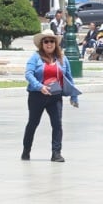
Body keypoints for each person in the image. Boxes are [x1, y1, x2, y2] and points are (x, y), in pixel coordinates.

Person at [23, 29, 80, 163]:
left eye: (52, 41)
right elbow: (28, 74)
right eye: (46, 41)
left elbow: (69, 78)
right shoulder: (35, 57)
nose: (49, 44)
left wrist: (74, 96)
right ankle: (26, 150)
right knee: (33, 123)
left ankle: (56, 153)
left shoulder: (62, 59)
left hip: (55, 96)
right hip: (37, 96)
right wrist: (39, 86)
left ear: (56, 43)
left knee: (57, 124)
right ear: (41, 44)